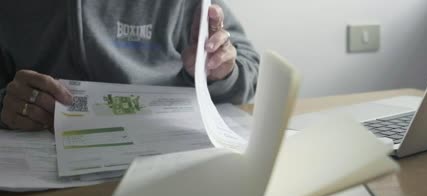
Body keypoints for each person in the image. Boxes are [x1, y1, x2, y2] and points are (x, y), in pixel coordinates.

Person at [0, 0, 259, 131]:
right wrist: (7, 105)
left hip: (167, 153)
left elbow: (249, 66)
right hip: (42, 165)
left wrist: (218, 72)